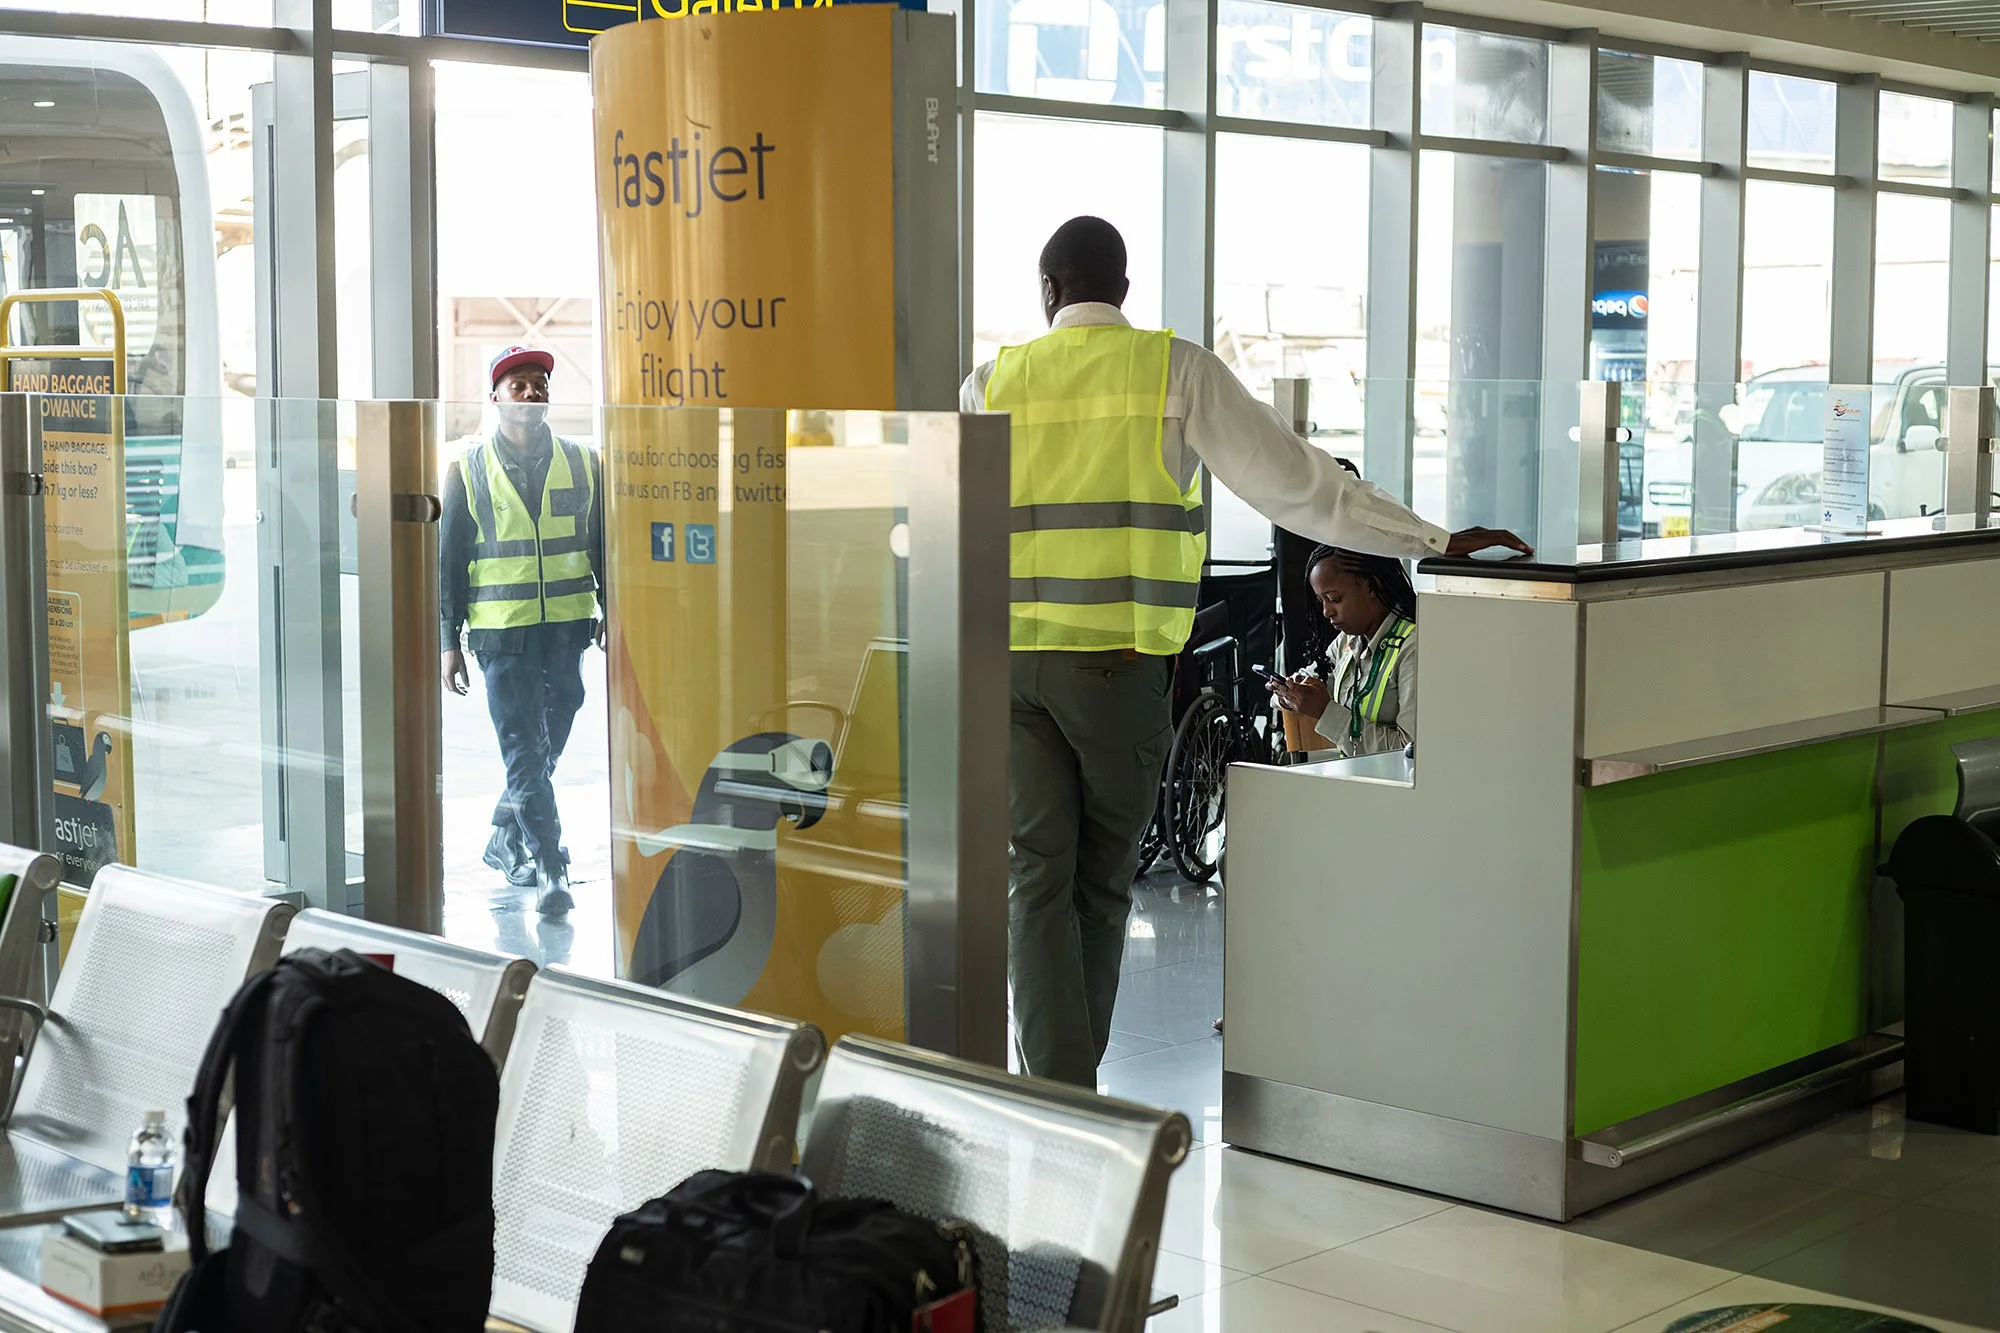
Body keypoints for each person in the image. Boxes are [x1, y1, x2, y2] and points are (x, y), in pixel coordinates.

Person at [963, 215, 1530, 1087]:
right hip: (1113, 674)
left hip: (1004, 671)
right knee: (1101, 886)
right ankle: (1072, 1090)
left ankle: (1056, 1091)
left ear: (1047, 293)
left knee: (1033, 882)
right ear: (1122, 289)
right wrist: (1431, 538)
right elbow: (1298, 483)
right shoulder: (1172, 369)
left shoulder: (990, 381)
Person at [440, 346, 605, 918]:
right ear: (495, 398)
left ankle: (504, 836)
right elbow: (450, 560)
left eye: (539, 383)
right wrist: (448, 642)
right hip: (500, 631)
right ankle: (548, 864)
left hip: (566, 626)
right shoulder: (468, 469)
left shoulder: (584, 463)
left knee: (549, 737)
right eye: (518, 385)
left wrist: (611, 610)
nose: (531, 392)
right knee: (523, 748)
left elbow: (601, 546)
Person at [1271, 546, 1419, 758]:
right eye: (1321, 600)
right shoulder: (1348, 641)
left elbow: (1409, 754)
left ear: (1372, 587)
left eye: (1335, 599)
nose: (1326, 611)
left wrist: (1325, 712)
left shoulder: (1413, 648)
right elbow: (1315, 678)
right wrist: (1288, 693)